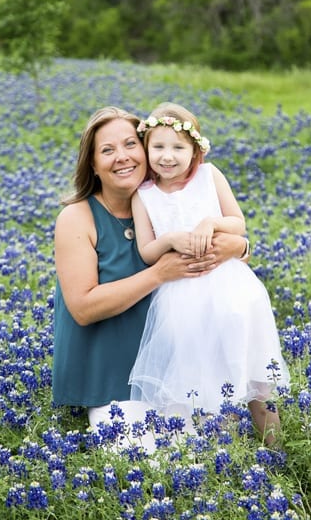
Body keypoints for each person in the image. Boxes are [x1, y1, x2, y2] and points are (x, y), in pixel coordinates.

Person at [52, 105, 248, 449]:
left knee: (213, 457)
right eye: (107, 150)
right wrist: (159, 274)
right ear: (93, 164)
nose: (122, 157)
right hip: (112, 384)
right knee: (144, 465)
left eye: (130, 145)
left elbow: (228, 242)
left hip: (176, 374)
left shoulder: (163, 204)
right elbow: (82, 307)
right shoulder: (76, 218)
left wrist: (240, 247)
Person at [129, 102, 290, 443]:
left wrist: (211, 222)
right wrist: (170, 239)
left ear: (195, 151)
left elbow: (238, 224)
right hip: (182, 300)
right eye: (158, 147)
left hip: (233, 292)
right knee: (206, 387)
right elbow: (146, 252)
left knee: (256, 380)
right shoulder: (143, 196)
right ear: (146, 148)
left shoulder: (209, 175)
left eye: (178, 147)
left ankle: (276, 455)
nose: (167, 156)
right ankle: (224, 465)